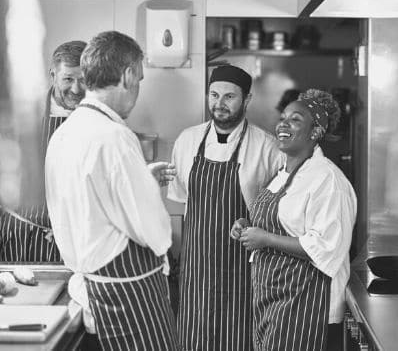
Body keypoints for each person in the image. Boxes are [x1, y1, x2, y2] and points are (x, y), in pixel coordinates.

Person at [45, 31, 179, 351]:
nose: (137, 90)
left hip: (97, 286)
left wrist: (139, 179)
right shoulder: (114, 136)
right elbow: (154, 231)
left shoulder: (66, 133)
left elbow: (91, 199)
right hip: (130, 297)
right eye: (139, 79)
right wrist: (144, 190)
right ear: (128, 75)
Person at [231, 88, 356, 351]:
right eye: (283, 117)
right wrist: (247, 225)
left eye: (296, 119)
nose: (283, 124)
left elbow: (325, 247)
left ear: (316, 132)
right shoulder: (282, 174)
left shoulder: (328, 180)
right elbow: (284, 221)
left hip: (306, 307)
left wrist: (264, 238)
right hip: (273, 302)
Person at [168, 64, 283, 351]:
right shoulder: (187, 141)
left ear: (247, 100)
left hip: (243, 270)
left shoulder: (268, 148)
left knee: (240, 340)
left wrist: (253, 222)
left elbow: (280, 214)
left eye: (229, 97)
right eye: (214, 95)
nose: (219, 104)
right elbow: (182, 202)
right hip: (195, 269)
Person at [0, 40, 87, 262]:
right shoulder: (26, 114)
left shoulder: (99, 117)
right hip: (21, 235)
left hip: (77, 239)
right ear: (53, 74)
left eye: (83, 80)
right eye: (68, 78)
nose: (76, 89)